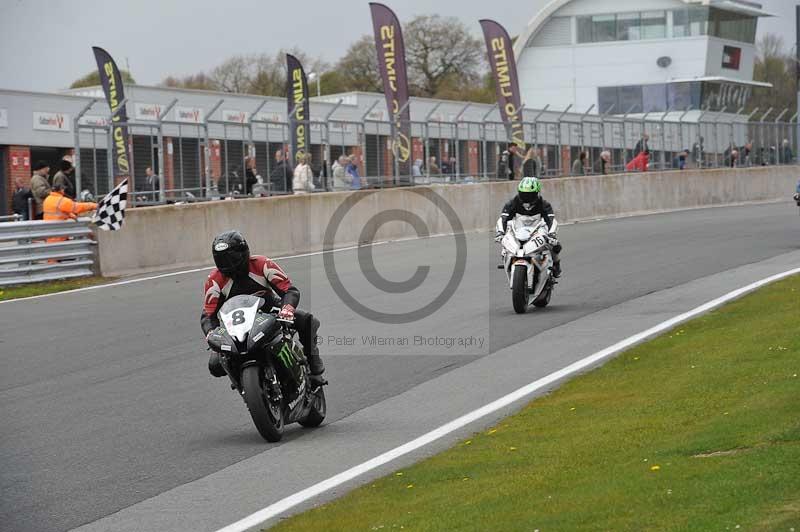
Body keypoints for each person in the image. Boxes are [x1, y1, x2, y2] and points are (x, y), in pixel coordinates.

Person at [201, 231, 325, 383]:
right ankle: (243, 384)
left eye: (231, 257)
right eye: (222, 259)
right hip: (236, 324)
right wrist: (211, 332)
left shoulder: (261, 264)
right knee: (215, 365)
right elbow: (208, 314)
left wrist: (287, 309)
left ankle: (314, 365)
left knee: (307, 320)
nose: (228, 263)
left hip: (269, 311)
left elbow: (289, 290)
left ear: (243, 252)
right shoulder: (214, 280)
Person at [495, 176, 562, 278]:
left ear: (537, 193)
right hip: (519, 230)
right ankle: (507, 260)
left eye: (530, 195)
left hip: (538, 230)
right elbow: (503, 218)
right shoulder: (512, 203)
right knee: (505, 243)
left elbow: (551, 220)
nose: (527, 198)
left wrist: (552, 235)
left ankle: (556, 265)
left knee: (555, 245)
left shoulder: (544, 204)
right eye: (524, 194)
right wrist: (500, 232)